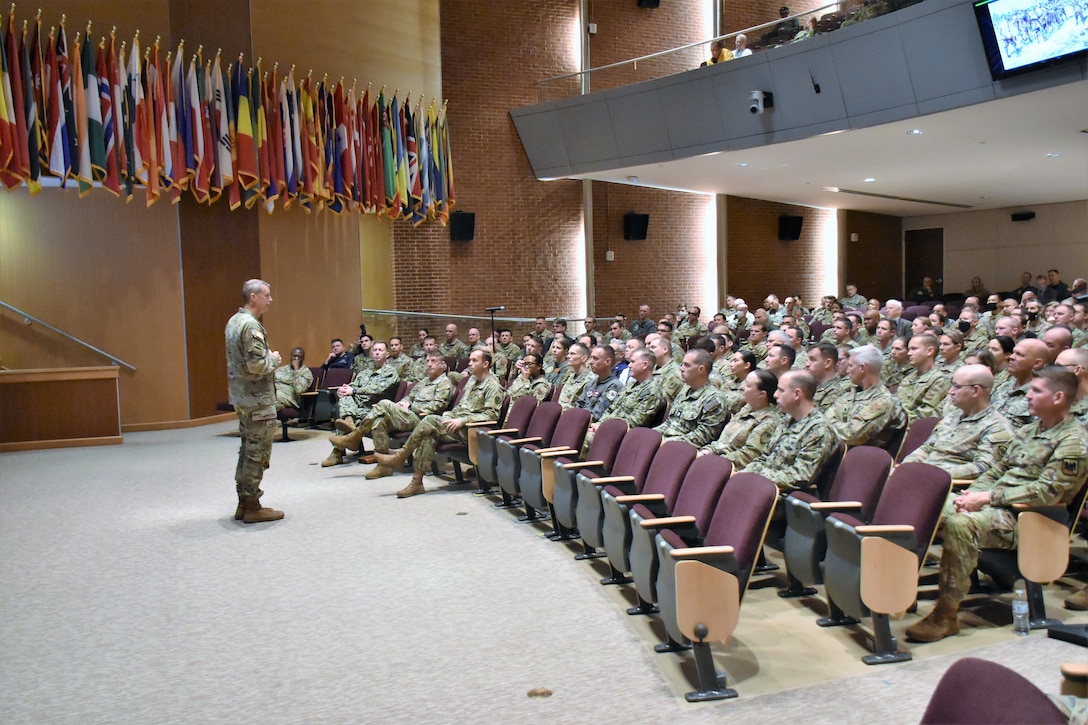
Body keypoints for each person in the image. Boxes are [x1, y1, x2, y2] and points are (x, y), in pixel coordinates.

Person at [906, 367, 1088, 643]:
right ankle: (899, 587)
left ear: (1058, 397)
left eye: (1036, 391)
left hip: (1031, 520)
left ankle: (945, 615)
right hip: (999, 508)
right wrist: (971, 497)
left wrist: (988, 498)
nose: (1027, 396)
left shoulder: (1074, 441)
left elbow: (1047, 492)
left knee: (961, 523)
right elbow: (995, 471)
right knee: (932, 507)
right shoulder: (1030, 430)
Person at [375, 349, 505, 498]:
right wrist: (449, 416)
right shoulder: (472, 380)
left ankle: (402, 455)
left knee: (430, 419)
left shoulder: (493, 386)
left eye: (474, 360)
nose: (469, 363)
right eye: (470, 360)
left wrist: (461, 421)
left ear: (485, 364)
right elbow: (460, 406)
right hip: (456, 426)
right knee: (429, 436)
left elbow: (491, 415)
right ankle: (417, 482)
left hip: (472, 431)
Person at [333, 351, 455, 477]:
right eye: (428, 361)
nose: (429, 364)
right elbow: (409, 396)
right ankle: (383, 465)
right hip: (407, 415)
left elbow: (437, 406)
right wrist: (403, 403)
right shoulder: (424, 381)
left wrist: (411, 406)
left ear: (442, 364)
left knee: (384, 403)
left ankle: (356, 436)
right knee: (378, 421)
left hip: (421, 419)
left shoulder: (444, 383)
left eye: (433, 361)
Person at [225, 279, 283, 524]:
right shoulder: (250, 326)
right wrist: (274, 359)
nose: (270, 300)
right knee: (257, 454)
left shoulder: (233, 321)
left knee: (248, 450)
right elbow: (256, 364)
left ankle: (243, 502)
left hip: (243, 399)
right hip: (257, 400)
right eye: (266, 295)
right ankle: (252, 505)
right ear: (253, 297)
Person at [903, 365, 1014, 480]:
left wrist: (933, 475)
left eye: (957, 387)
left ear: (976, 390)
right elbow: (927, 448)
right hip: (922, 477)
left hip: (951, 487)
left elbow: (983, 468)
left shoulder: (997, 427)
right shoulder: (952, 416)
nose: (951, 391)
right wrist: (907, 467)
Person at [742, 370, 839, 494]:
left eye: (781, 390)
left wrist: (756, 478)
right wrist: (744, 474)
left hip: (781, 496)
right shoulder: (787, 419)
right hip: (760, 486)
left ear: (797, 394)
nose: (775, 395)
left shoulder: (819, 430)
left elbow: (800, 476)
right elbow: (764, 457)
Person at [825, 345, 907, 450]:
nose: (848, 371)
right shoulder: (851, 392)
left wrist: (828, 424)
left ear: (862, 368)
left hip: (858, 459)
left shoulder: (883, 401)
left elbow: (851, 435)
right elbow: (826, 417)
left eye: (851, 366)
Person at [700, 369, 781, 468]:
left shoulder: (769, 421)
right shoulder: (747, 408)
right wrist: (708, 451)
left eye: (748, 385)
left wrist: (714, 459)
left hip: (729, 468)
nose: (742, 387)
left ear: (762, 394)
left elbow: (747, 456)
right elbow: (723, 441)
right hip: (715, 456)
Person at [652, 349, 728, 448]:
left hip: (681, 450)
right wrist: (652, 435)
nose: (681, 369)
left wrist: (666, 442)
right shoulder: (685, 390)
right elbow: (670, 422)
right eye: (682, 364)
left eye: (687, 365)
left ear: (701, 369)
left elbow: (702, 436)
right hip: (665, 442)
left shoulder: (714, 400)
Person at [330, 341, 400, 433]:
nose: (377, 352)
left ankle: (347, 425)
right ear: (372, 354)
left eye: (380, 350)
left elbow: (378, 389)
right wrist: (344, 389)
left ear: (387, 355)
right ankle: (348, 421)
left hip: (374, 408)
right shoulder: (365, 372)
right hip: (358, 406)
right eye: (375, 350)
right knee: (345, 397)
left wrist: (354, 390)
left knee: (346, 414)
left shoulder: (390, 372)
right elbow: (354, 384)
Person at [897, 334, 951, 422]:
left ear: (929, 351)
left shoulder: (939, 380)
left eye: (914, 349)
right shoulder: (909, 377)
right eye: (909, 349)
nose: (909, 353)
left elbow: (925, 415)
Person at [576, 345, 625, 421]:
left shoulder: (614, 385)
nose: (591, 362)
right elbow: (579, 404)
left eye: (595, 359)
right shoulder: (592, 382)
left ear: (607, 362)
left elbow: (598, 414)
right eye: (591, 358)